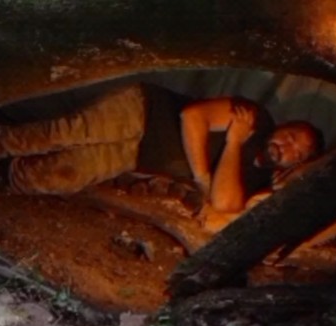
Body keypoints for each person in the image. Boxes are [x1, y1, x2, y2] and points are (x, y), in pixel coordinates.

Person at [134, 87, 324, 230]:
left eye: (296, 153)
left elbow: (223, 204)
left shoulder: (259, 181)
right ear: (281, 126)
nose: (286, 147)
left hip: (137, 157)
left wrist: (233, 142)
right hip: (143, 114)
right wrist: (203, 179)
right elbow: (192, 116)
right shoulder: (256, 119)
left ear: (293, 165)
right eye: (290, 136)